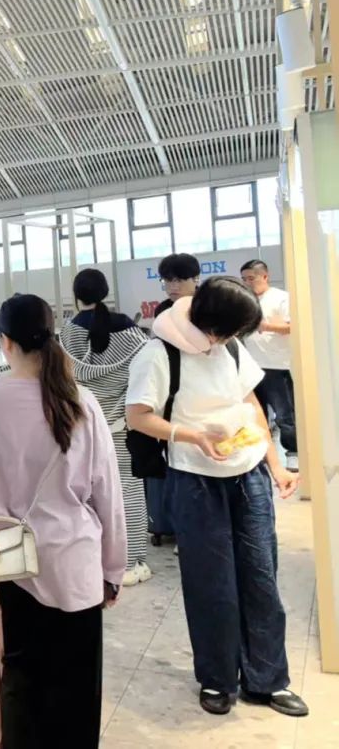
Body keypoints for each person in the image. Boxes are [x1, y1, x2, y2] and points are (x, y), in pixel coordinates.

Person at [0, 294, 126, 749]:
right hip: (75, 565)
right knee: (77, 687)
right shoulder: (81, 400)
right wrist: (113, 570)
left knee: (22, 679)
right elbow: (107, 494)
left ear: (4, 342)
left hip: (12, 563)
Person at [126, 277, 307, 717]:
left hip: (249, 472)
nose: (232, 338)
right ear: (211, 322)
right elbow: (138, 416)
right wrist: (193, 436)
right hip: (195, 480)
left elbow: (252, 405)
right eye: (230, 331)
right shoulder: (160, 353)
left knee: (261, 577)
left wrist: (276, 465)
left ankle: (268, 680)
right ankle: (217, 678)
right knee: (211, 584)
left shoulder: (230, 347)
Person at [62, 269, 152, 587]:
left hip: (83, 429)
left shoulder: (68, 334)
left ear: (77, 296)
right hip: (123, 427)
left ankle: (98, 559)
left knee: (88, 497)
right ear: (106, 292)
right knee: (129, 494)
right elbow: (145, 375)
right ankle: (131, 562)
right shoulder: (131, 332)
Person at [241, 260, 298, 471]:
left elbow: (292, 326)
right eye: (244, 279)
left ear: (265, 276)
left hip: (277, 365)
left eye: (251, 278)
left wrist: (264, 326)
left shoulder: (281, 297)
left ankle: (292, 453)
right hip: (251, 366)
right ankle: (262, 454)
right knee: (256, 414)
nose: (247, 283)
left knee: (285, 415)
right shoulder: (245, 301)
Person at [154, 253, 201, 318]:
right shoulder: (162, 310)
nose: (173, 287)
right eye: (168, 280)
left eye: (179, 280)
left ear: (196, 279)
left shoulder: (210, 305)